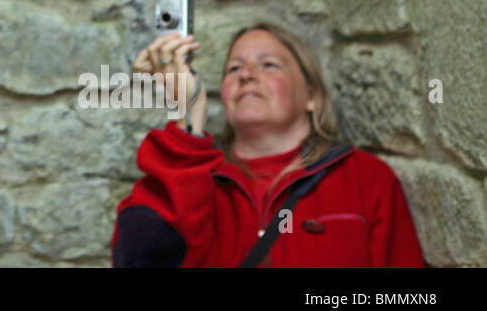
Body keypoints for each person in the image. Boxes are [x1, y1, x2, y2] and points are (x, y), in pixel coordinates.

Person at [111, 23, 425, 267]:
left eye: (269, 65)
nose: (247, 75)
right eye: (234, 68)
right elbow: (139, 259)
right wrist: (188, 119)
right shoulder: (196, 185)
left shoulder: (366, 179)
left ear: (311, 95)